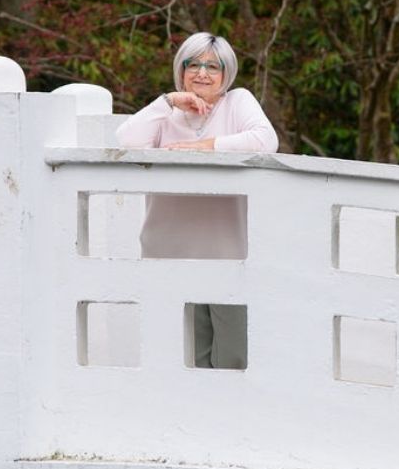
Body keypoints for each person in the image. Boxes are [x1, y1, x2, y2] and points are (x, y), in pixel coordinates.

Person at [115, 32, 278, 370]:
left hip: (226, 251)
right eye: (194, 65)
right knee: (182, 353)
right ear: (182, 69)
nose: (202, 73)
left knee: (232, 353)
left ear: (226, 73)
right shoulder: (166, 114)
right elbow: (126, 142)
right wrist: (168, 102)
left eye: (212, 66)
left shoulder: (237, 102)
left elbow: (265, 141)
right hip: (167, 250)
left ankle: (228, 419)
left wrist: (204, 147)